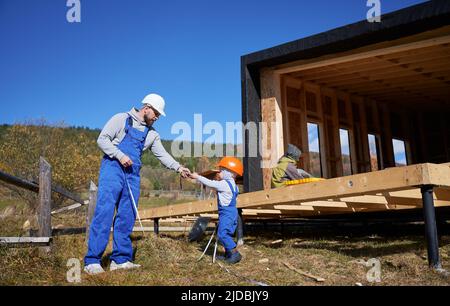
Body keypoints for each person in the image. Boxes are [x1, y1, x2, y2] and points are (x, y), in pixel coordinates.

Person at [84, 93, 191, 275]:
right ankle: (92, 261)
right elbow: (102, 140)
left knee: (127, 214)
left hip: (132, 174)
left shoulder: (152, 134)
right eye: (156, 113)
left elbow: (162, 156)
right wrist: (120, 155)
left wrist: (179, 168)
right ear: (146, 107)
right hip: (113, 168)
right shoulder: (121, 119)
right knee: (105, 210)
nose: (157, 117)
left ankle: (121, 259)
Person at [189, 157, 243, 264]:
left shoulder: (224, 184)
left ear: (231, 173)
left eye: (223, 169)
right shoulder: (234, 185)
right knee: (226, 234)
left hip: (226, 213)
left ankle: (235, 253)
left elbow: (210, 183)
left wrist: (197, 176)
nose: (220, 171)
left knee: (222, 234)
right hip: (232, 213)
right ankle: (228, 255)